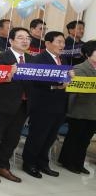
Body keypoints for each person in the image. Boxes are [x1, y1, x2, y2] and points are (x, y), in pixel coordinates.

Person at [0, 27, 32, 183]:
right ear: (11, 41)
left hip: (23, 105)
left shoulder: (31, 59)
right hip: (3, 104)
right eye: (21, 38)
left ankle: (3, 165)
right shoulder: (3, 57)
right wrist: (9, 74)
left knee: (12, 138)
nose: (25, 41)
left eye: (27, 38)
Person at [22, 31, 70, 178]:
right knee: (38, 135)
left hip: (59, 104)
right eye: (59, 42)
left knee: (50, 136)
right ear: (48, 43)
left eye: (63, 42)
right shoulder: (39, 59)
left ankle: (43, 163)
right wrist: (56, 85)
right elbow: (36, 80)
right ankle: (29, 163)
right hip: (43, 104)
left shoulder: (62, 60)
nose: (62, 45)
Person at [58, 40, 96, 174]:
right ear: (88, 54)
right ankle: (67, 161)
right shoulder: (79, 68)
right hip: (80, 108)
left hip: (93, 111)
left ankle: (79, 163)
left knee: (85, 139)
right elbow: (74, 88)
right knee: (74, 137)